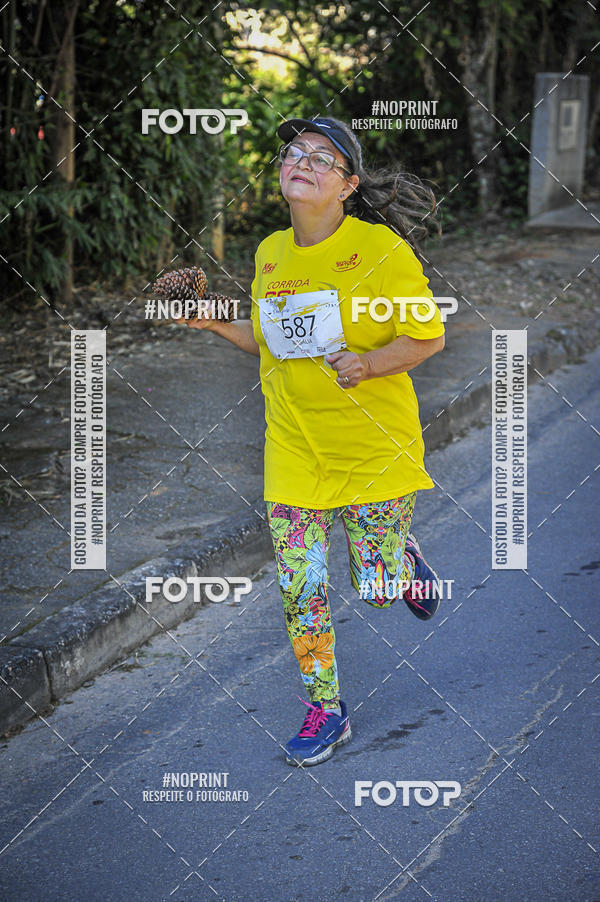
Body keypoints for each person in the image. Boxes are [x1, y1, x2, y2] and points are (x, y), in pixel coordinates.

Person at [178, 117, 445, 768]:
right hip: (294, 448)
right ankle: (326, 708)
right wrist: (212, 321)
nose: (302, 160)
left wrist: (369, 364)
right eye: (294, 151)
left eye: (323, 158)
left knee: (375, 589)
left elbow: (429, 336)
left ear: (349, 185)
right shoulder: (271, 253)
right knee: (301, 587)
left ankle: (401, 563)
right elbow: (269, 339)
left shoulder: (381, 251)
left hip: (372, 448)